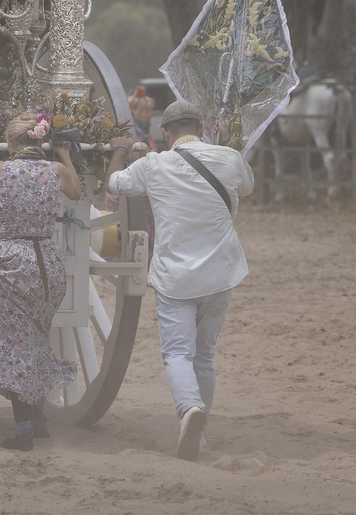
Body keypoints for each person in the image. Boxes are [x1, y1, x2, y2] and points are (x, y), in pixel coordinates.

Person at [106, 98, 253, 461]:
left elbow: (115, 184)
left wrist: (119, 152)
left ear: (165, 133)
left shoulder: (153, 164)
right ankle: (198, 431)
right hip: (220, 273)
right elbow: (246, 188)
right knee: (205, 354)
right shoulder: (229, 158)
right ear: (200, 129)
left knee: (176, 353)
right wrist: (229, 145)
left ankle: (189, 409)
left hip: (175, 277)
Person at [0, 112, 82, 450]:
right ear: (38, 140)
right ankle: (38, 420)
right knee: (34, 339)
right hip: (47, 263)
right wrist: (64, 155)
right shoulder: (57, 171)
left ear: (12, 143)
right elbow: (76, 193)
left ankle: (24, 431)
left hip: (12, 264)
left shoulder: (0, 170)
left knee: (13, 347)